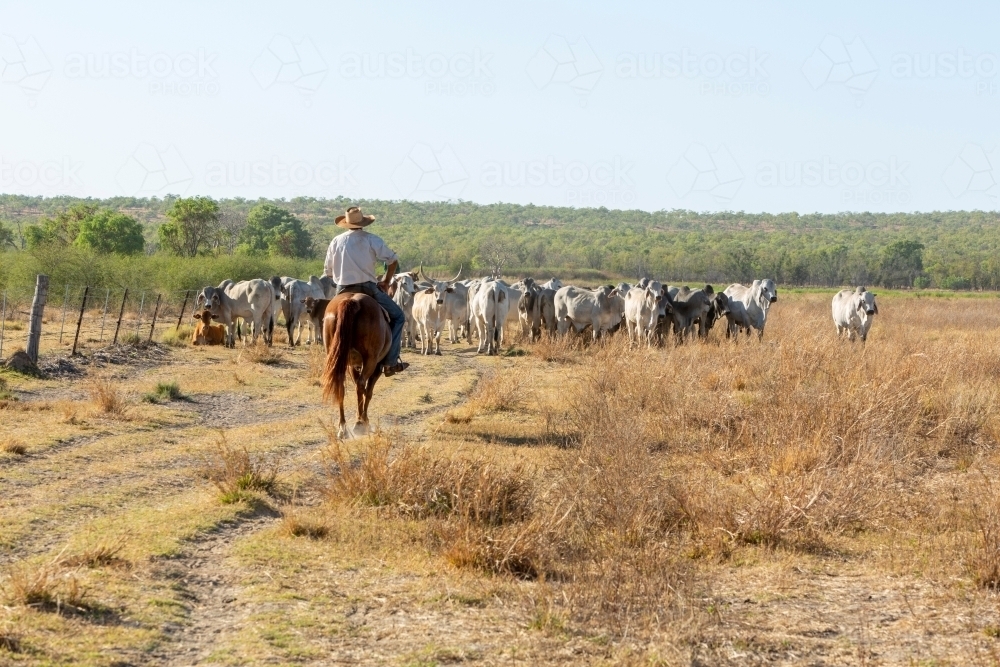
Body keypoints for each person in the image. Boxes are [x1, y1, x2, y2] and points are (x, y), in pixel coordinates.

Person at [323, 206, 408, 376]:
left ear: (345, 223)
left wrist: (341, 278)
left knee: (327, 318)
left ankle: (329, 357)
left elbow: (328, 272)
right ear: (363, 223)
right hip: (368, 288)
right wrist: (386, 281)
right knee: (399, 316)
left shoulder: (336, 241)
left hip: (342, 288)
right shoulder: (371, 239)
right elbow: (393, 260)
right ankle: (390, 362)